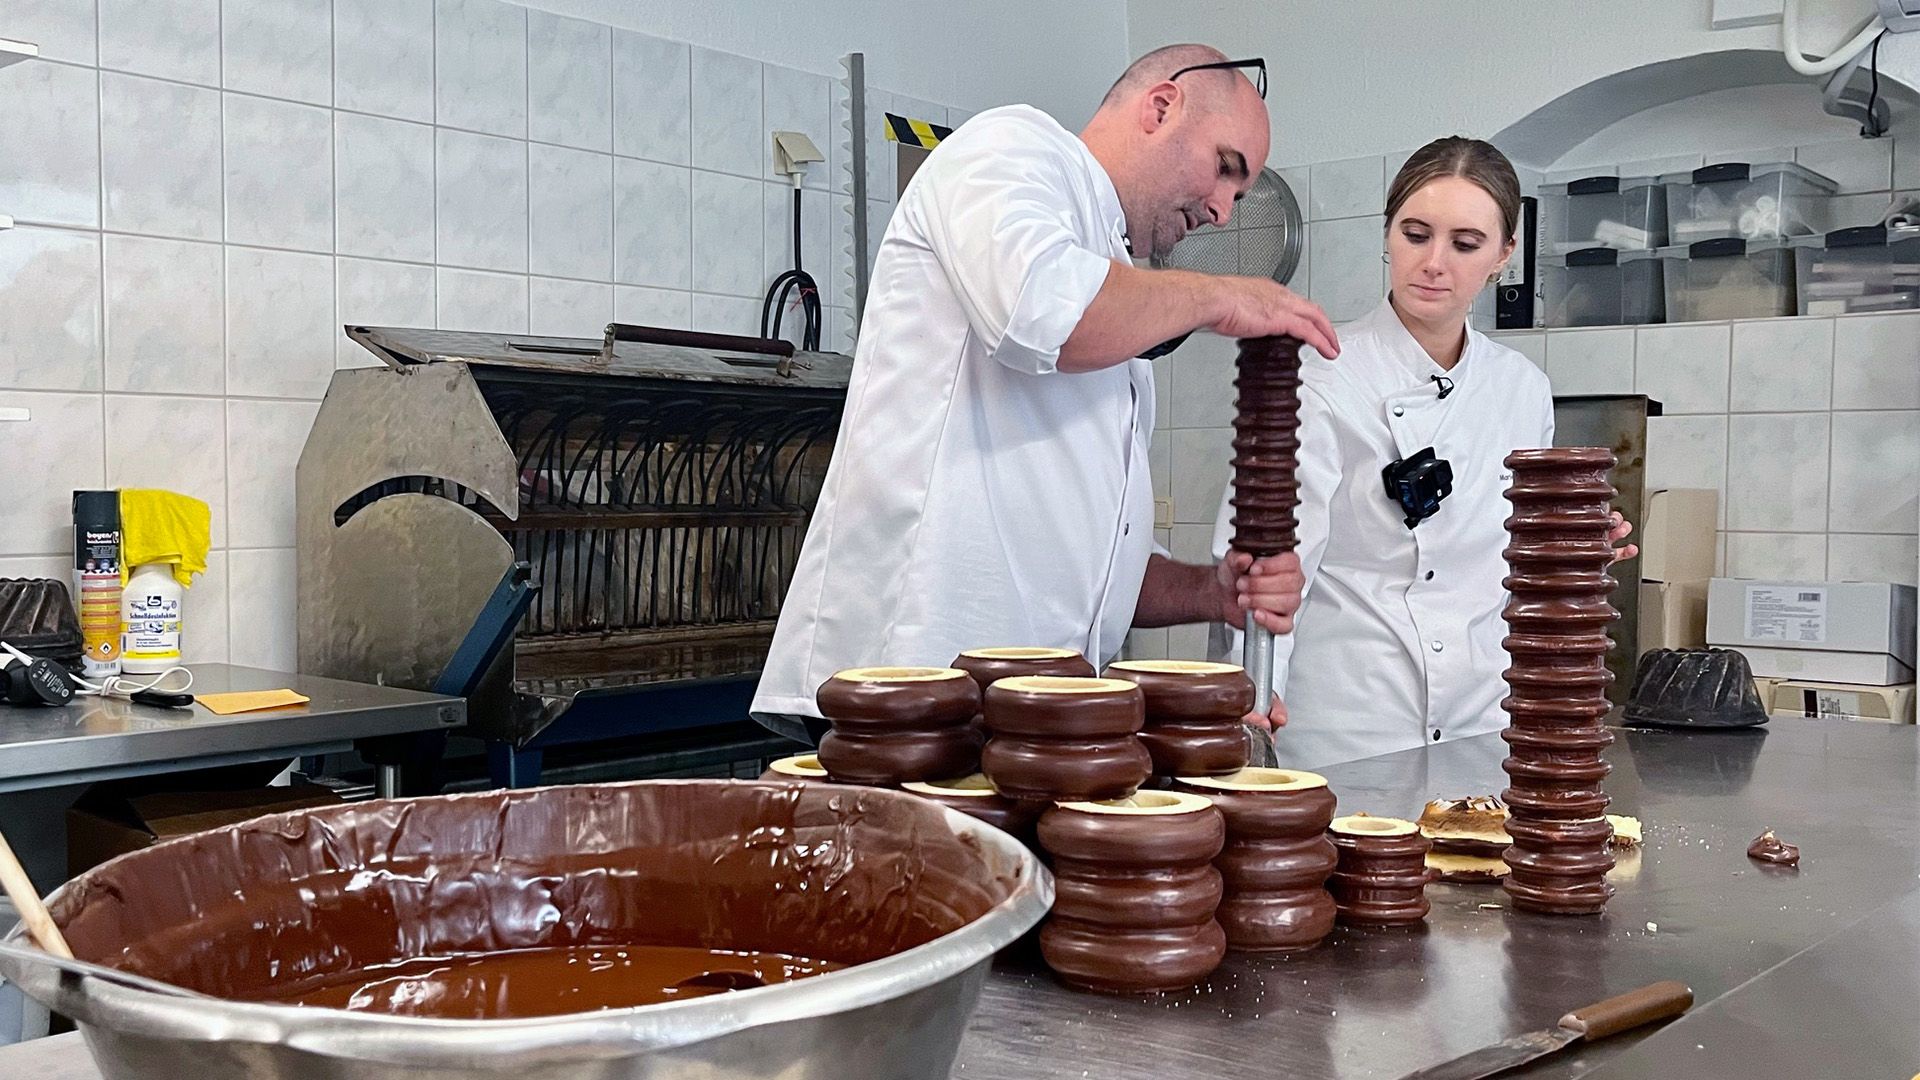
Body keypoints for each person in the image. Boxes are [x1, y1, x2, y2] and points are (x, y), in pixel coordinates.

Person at [750, 45, 1340, 744]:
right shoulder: (1011, 149)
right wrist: (1221, 295)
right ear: (1161, 107)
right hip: (909, 701)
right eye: (1225, 170)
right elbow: (1042, 311)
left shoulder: (1116, 281)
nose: (1220, 210)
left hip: (1025, 722)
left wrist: (1211, 593)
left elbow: (1093, 566)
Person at [1211, 137, 1636, 769]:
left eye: (1465, 244)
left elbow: (1511, 562)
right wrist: (1250, 701)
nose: (1434, 263)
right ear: (1387, 236)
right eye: (1415, 235)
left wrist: (1572, 545)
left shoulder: (1520, 389)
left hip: (1482, 721)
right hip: (1346, 727)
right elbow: (1262, 571)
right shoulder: (1320, 374)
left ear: (1504, 255)